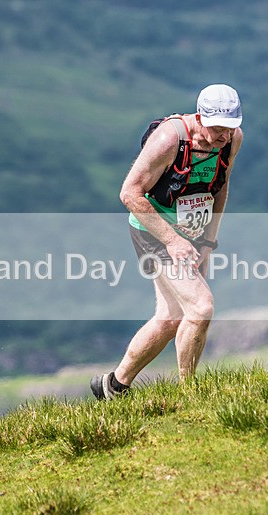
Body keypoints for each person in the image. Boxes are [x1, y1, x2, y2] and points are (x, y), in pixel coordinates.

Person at [91, 84, 244, 400]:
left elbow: (221, 187)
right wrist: (172, 241)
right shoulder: (169, 140)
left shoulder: (232, 140)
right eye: (217, 128)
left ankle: (113, 386)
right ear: (199, 117)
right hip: (153, 231)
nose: (223, 136)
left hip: (190, 234)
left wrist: (208, 242)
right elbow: (129, 194)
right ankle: (190, 395)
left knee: (170, 318)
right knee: (200, 307)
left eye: (229, 128)